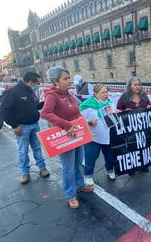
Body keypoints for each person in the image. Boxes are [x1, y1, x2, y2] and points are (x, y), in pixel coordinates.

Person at [41, 66, 93, 209]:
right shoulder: (52, 95)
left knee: (77, 162)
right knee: (68, 167)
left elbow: (77, 111)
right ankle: (70, 195)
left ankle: (79, 185)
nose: (69, 81)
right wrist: (66, 125)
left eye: (69, 77)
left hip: (77, 134)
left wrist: (83, 122)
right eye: (66, 78)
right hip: (65, 136)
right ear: (55, 81)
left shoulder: (69, 94)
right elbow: (45, 113)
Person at [0, 72, 50, 184]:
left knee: (37, 147)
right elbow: (4, 110)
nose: (39, 85)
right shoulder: (12, 92)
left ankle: (42, 168)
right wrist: (14, 125)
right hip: (22, 127)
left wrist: (44, 103)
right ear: (30, 82)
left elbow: (34, 106)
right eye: (37, 83)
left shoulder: (31, 92)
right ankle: (25, 172)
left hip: (34, 124)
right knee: (23, 150)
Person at [80, 83, 117, 183]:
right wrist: (89, 122)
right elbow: (79, 120)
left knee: (109, 156)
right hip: (94, 137)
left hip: (108, 136)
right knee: (91, 157)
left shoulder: (110, 102)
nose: (106, 94)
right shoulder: (86, 105)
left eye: (106, 92)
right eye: (103, 92)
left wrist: (117, 112)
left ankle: (110, 170)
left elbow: (113, 114)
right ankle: (88, 175)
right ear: (96, 94)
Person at [116, 76, 151, 173]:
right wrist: (124, 111)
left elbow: (149, 107)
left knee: (143, 146)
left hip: (143, 127)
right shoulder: (124, 97)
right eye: (135, 85)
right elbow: (118, 111)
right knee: (132, 147)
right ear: (130, 86)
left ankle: (143, 164)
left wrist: (149, 107)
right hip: (130, 129)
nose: (137, 87)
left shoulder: (144, 96)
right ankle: (132, 166)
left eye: (139, 84)